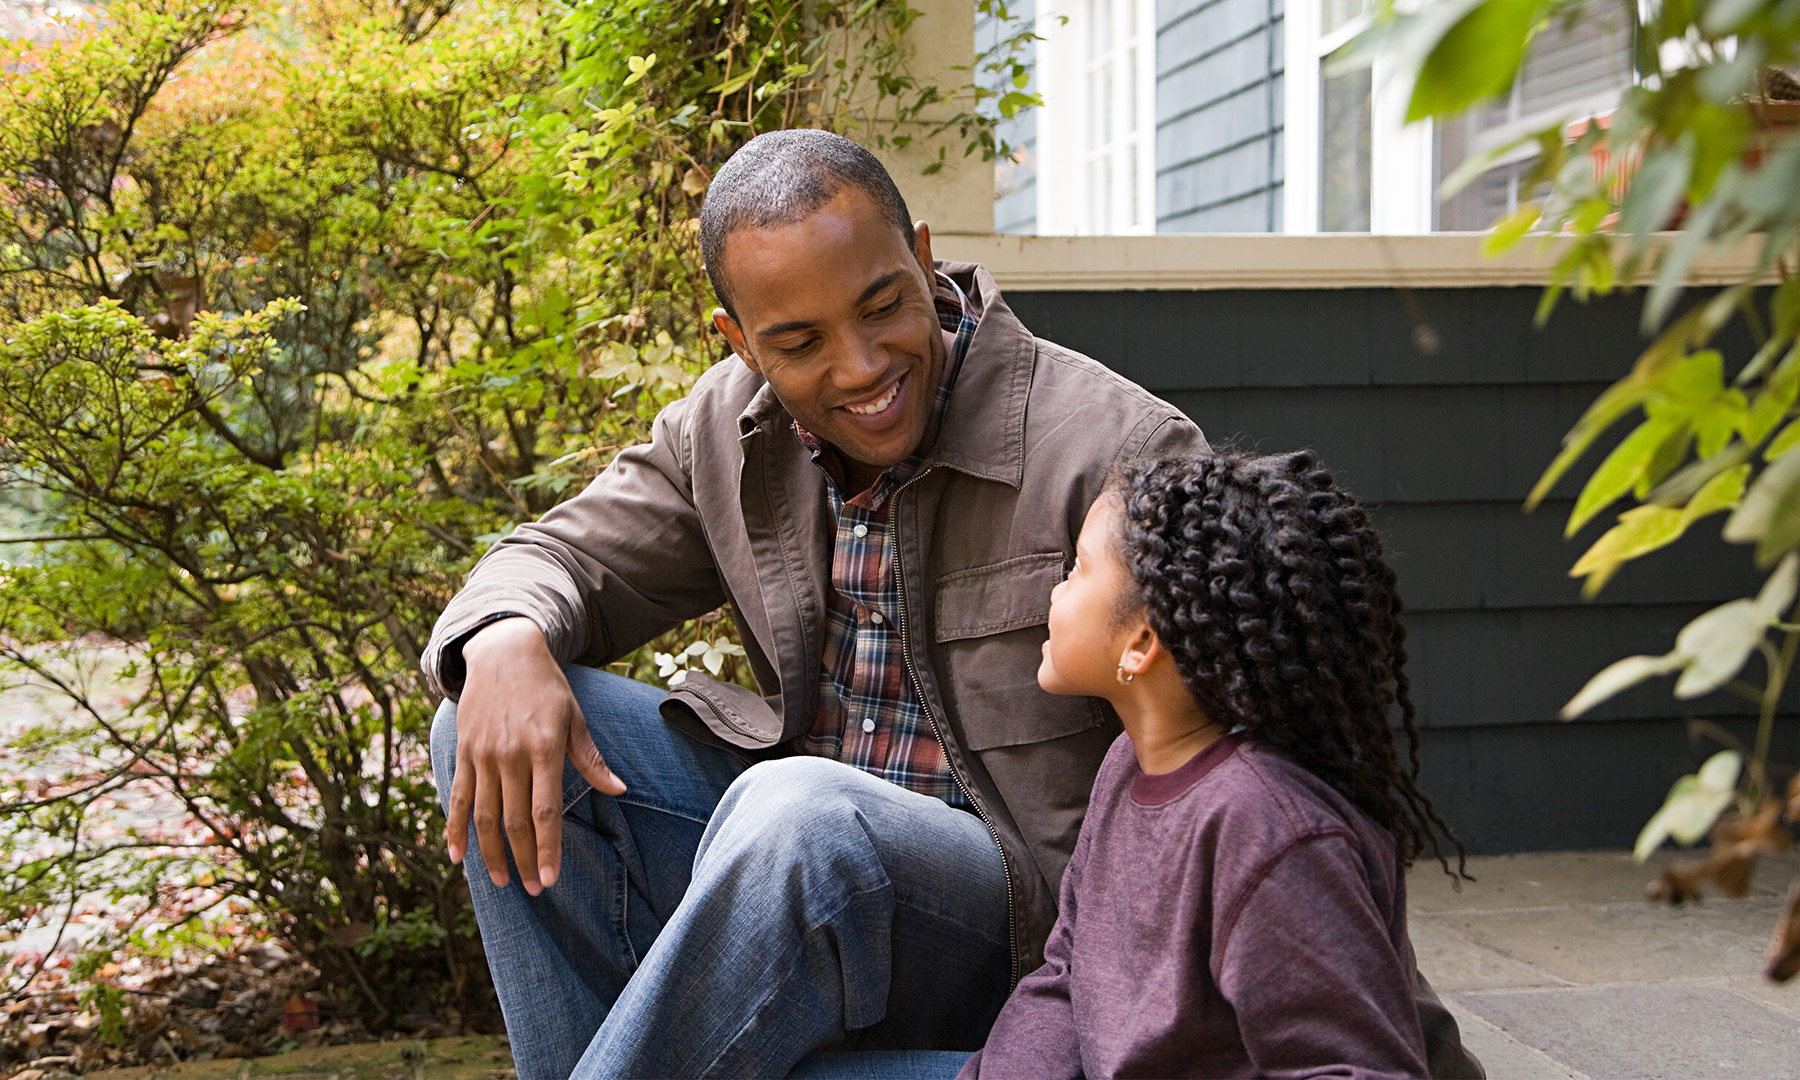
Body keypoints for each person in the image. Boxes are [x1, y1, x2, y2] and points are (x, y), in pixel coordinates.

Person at [421, 129, 1482, 1079]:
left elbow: (1283, 787)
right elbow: (555, 554)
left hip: (1027, 947)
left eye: (883, 304)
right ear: (739, 340)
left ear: (924, 257)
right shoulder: (727, 434)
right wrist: (506, 634)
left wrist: (1397, 1041)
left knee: (802, 817)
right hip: (802, 897)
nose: (862, 365)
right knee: (485, 720)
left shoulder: (1114, 453)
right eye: (798, 342)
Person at [959, 452, 1470, 1079]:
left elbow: (1357, 1069)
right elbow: (1067, 975)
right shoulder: (1128, 766)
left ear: (1142, 643)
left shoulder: (1267, 830)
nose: (1054, 590)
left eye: (1077, 570)